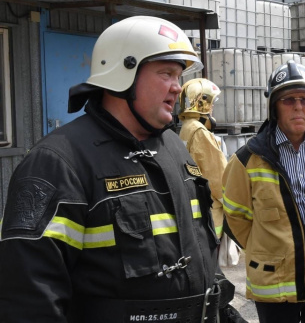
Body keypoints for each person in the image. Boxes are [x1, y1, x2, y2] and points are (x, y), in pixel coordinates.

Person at [0, 16, 244, 323]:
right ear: (122, 73)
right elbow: (29, 297)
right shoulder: (57, 162)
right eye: (166, 74)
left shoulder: (174, 147)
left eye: (179, 76)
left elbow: (199, 248)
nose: (177, 87)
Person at [222, 60, 305, 323]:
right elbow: (235, 217)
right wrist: (267, 247)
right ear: (274, 107)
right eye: (289, 100)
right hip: (276, 283)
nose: (298, 107)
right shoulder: (247, 158)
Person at [178, 78, 240, 267]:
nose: (213, 108)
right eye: (211, 103)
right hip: (210, 216)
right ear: (201, 102)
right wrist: (234, 205)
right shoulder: (200, 132)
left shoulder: (186, 128)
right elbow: (218, 177)